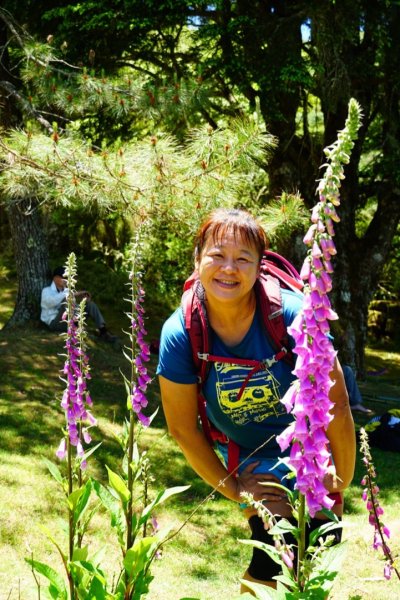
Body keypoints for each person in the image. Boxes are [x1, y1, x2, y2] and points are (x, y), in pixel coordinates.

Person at [157, 208, 356, 592]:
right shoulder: (181, 331)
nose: (229, 268)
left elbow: (339, 404)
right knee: (273, 552)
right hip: (249, 454)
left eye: (243, 259)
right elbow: (182, 429)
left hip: (312, 448)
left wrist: (341, 477)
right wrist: (234, 488)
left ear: (258, 266)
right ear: (197, 260)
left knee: (321, 547)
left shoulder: (297, 315)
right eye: (216, 255)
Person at [41, 266, 117, 342]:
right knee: (67, 300)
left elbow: (72, 304)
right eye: (65, 278)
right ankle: (78, 329)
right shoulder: (47, 291)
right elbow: (50, 303)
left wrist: (84, 300)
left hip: (70, 320)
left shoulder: (67, 291)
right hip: (55, 323)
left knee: (90, 304)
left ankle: (103, 331)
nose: (67, 281)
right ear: (56, 278)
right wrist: (73, 294)